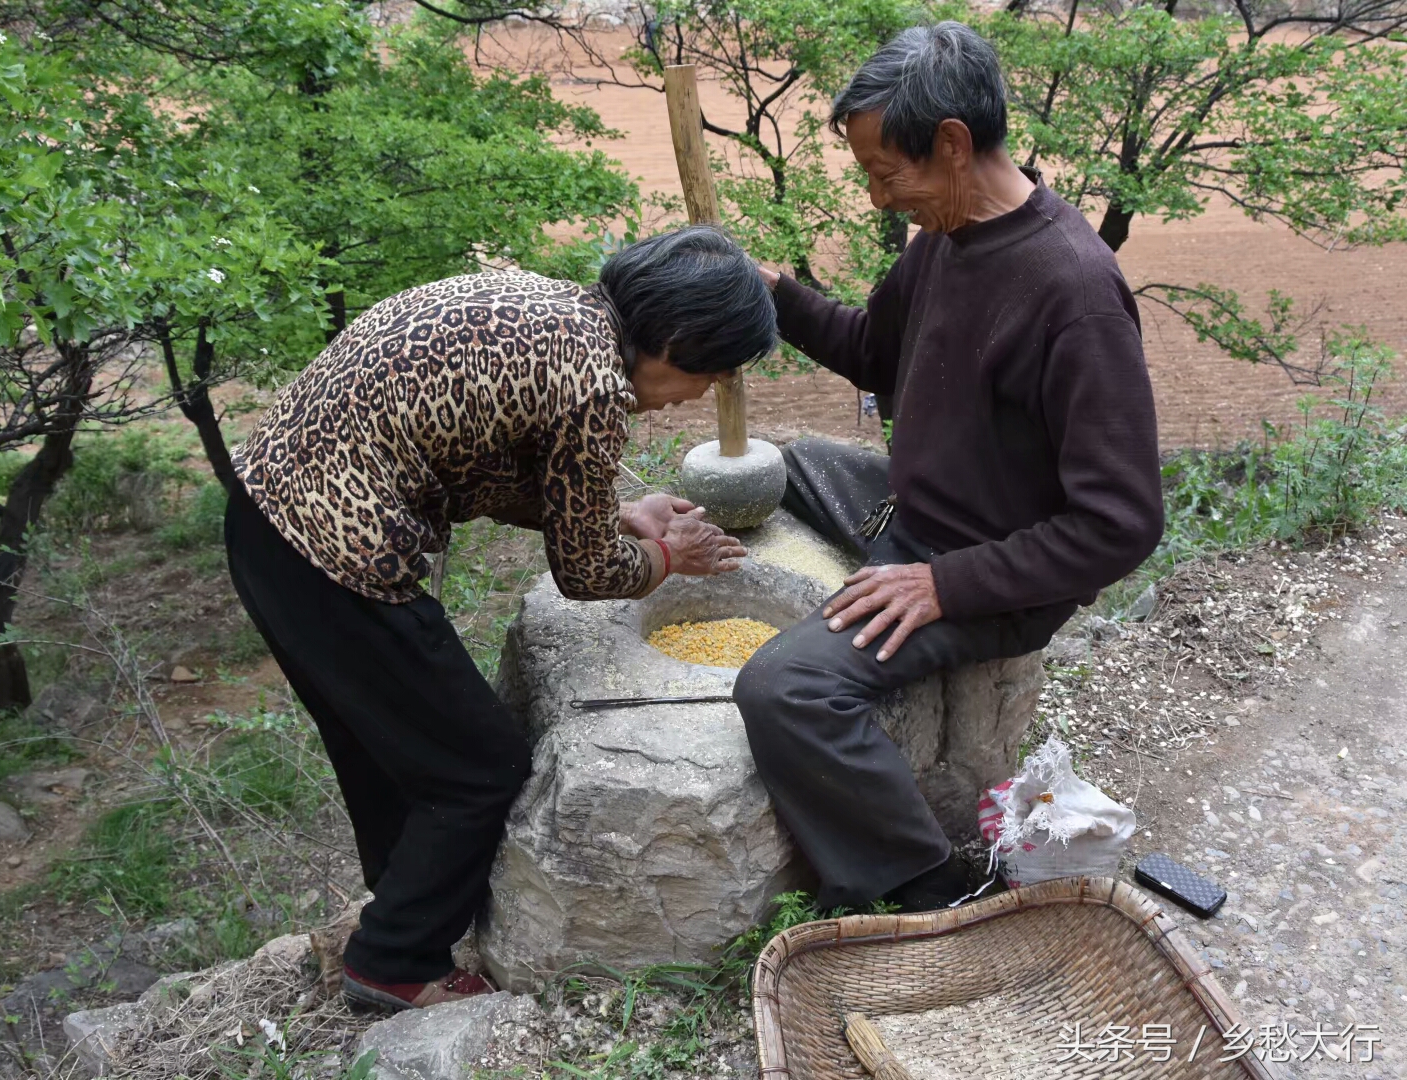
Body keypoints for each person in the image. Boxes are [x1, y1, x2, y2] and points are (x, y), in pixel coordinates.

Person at [225, 226, 777, 1009]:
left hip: (262, 517)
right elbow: (582, 574)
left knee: (385, 743)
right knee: (479, 766)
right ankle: (393, 962)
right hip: (335, 552)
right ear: (678, 340)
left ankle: (403, 904)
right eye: (712, 371)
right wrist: (666, 558)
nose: (700, 393)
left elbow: (483, 460)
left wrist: (621, 512)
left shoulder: (562, 312)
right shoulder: (596, 384)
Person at [734, 22, 1164, 912]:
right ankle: (888, 550)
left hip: (987, 572)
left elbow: (1121, 522)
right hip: (912, 510)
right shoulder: (945, 234)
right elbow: (874, 352)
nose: (878, 196)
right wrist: (774, 294)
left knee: (786, 686)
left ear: (955, 145)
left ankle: (923, 886)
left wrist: (942, 585)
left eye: (888, 173)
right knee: (781, 465)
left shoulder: (1074, 292)